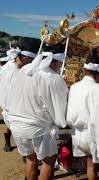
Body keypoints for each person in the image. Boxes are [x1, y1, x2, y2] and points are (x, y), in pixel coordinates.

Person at [7, 43, 68, 180]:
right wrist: (62, 124)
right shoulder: (54, 78)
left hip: (16, 124)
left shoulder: (26, 69)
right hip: (37, 129)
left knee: (31, 159)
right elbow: (59, 111)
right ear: (58, 62)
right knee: (49, 161)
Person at [66, 49, 99, 180]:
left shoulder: (74, 87)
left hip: (77, 135)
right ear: (98, 74)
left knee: (89, 164)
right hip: (93, 135)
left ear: (84, 71)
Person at [0, 37, 40, 152]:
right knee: (30, 155)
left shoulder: (7, 66)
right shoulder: (17, 72)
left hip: (10, 113)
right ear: (26, 58)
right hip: (16, 115)